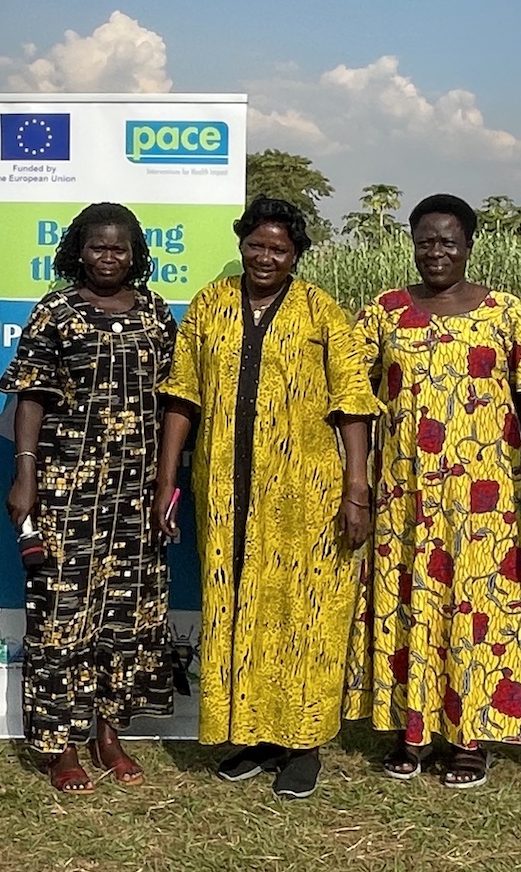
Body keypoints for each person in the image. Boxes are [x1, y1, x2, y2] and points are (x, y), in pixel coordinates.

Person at [152, 196, 378, 800]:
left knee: (305, 614)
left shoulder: (323, 314)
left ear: (296, 254)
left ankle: (302, 743)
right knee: (238, 608)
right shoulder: (211, 306)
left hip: (306, 493)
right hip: (225, 490)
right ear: (241, 244)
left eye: (279, 248)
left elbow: (354, 405)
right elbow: (182, 396)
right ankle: (252, 733)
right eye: (256, 245)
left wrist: (357, 489)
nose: (266, 257)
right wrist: (166, 478)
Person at [344, 194, 521, 789]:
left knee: (480, 608)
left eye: (448, 241)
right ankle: (409, 729)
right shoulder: (383, 313)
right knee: (409, 600)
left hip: (484, 499)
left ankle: (471, 738)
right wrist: (355, 479)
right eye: (425, 241)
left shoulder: (505, 314)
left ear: (469, 244)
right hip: (404, 493)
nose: (436, 251)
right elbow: (353, 401)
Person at [3, 202, 178, 792]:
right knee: (61, 616)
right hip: (68, 487)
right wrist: (24, 473)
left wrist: (168, 482)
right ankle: (62, 746)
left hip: (137, 488)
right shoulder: (55, 311)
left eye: (120, 248)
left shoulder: (154, 312)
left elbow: (175, 395)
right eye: (98, 247)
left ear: (136, 255)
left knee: (126, 612)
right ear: (78, 250)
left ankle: (110, 733)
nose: (109, 257)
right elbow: (30, 395)